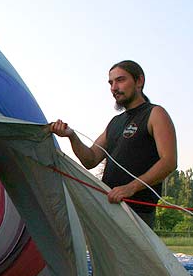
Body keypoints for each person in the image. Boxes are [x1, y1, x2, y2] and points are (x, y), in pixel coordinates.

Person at [50, 60, 177, 228]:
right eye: (111, 83)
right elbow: (91, 159)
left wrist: (130, 188)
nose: (114, 87)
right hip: (108, 208)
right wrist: (71, 136)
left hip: (138, 213)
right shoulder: (115, 123)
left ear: (139, 81)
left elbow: (169, 162)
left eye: (120, 80)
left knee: (134, 256)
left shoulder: (155, 114)